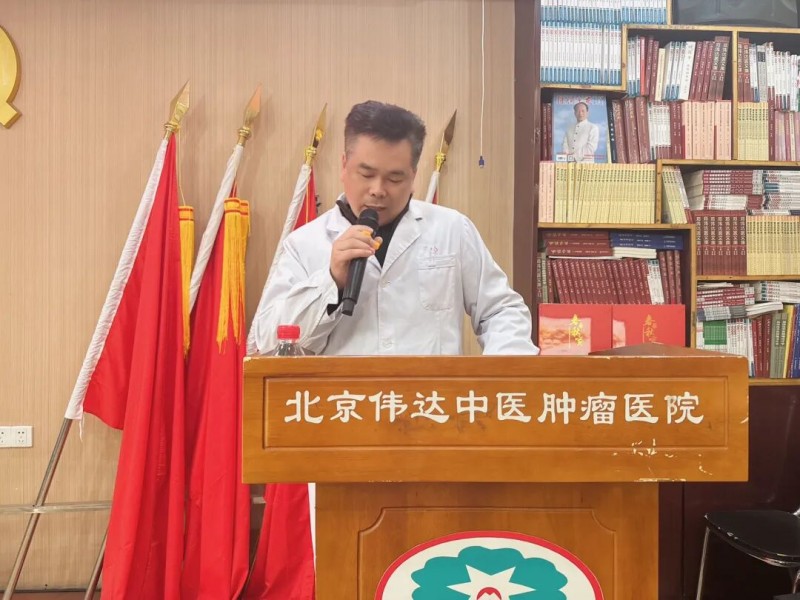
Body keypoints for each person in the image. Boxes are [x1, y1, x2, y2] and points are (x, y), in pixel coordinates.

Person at [250, 100, 539, 356]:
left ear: (413, 176)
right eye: (366, 174)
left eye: (395, 179)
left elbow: (501, 310)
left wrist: (501, 374)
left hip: (431, 399)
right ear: (344, 165)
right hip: (346, 399)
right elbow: (270, 342)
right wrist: (331, 280)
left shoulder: (452, 229)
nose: (378, 190)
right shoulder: (304, 243)